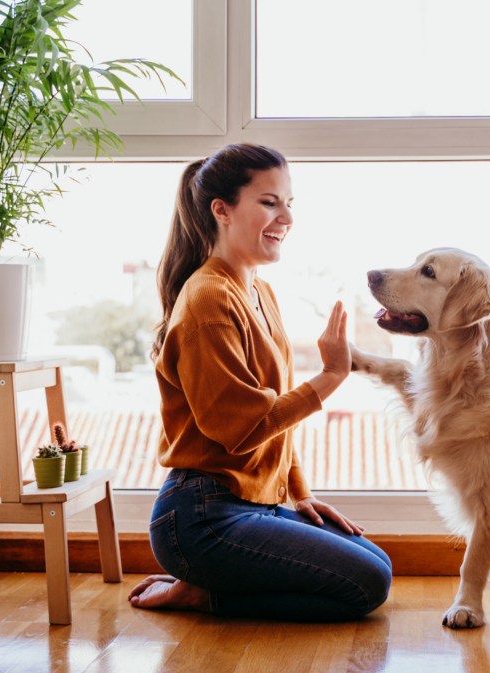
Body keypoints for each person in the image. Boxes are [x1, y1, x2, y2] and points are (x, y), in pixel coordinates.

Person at [128, 143, 392, 621]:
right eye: (270, 202)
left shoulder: (258, 290)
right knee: (367, 585)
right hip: (201, 516)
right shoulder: (208, 300)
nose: (286, 217)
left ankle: (207, 585)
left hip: (253, 503)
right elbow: (242, 428)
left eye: (289, 203)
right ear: (222, 210)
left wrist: (299, 492)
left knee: (378, 563)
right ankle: (202, 593)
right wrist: (332, 375)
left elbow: (274, 424)